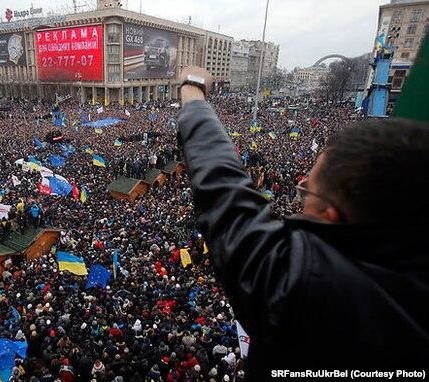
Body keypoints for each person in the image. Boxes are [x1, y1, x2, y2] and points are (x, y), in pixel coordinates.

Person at [176, 66, 429, 376]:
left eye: (308, 190)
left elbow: (220, 183)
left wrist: (192, 89)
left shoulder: (306, 287)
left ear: (332, 215)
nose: (301, 195)